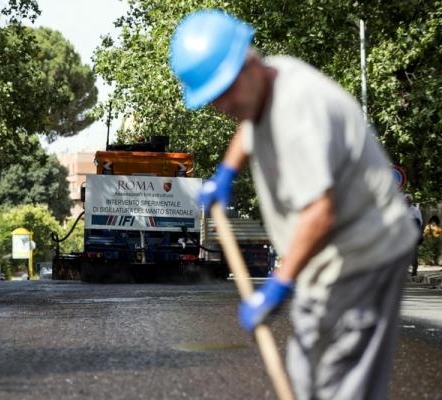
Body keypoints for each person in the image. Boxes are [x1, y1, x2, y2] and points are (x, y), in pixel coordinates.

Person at [169, 9, 418, 399]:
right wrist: (226, 172)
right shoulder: (269, 80)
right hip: (332, 256)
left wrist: (278, 286)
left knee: (344, 380)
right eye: (214, 98)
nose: (222, 106)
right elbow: (249, 125)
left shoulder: (299, 114)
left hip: (367, 254)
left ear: (247, 63)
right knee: (306, 369)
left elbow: (320, 211)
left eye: (224, 91)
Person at [405, 194, 423, 276]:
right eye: (406, 200)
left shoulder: (415, 210)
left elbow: (420, 222)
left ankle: (414, 270)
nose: (407, 202)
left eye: (408, 200)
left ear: (411, 201)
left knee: (414, 253)